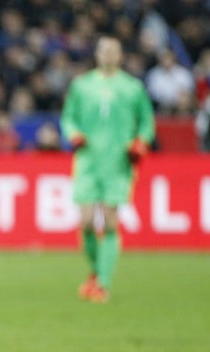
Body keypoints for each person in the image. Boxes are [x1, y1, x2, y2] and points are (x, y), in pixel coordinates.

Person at [60, 35, 155, 303]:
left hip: (118, 162)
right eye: (104, 50)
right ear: (97, 54)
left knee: (111, 222)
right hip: (88, 161)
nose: (109, 55)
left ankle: (102, 283)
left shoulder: (132, 87)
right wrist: (73, 133)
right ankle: (95, 271)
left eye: (113, 50)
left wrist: (141, 142)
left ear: (120, 55)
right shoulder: (82, 85)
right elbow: (68, 116)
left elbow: (147, 121)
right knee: (87, 221)